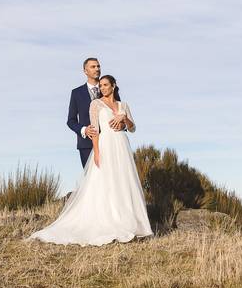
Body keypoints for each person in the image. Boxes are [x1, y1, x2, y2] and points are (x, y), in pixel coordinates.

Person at [29, 75, 153, 246]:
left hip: (122, 146)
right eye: (100, 85)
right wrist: (96, 151)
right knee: (105, 182)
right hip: (105, 145)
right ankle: (108, 221)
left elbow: (133, 128)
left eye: (105, 85)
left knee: (123, 182)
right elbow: (94, 129)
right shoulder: (96, 104)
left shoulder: (123, 105)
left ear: (113, 86)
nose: (102, 88)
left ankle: (127, 222)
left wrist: (124, 119)